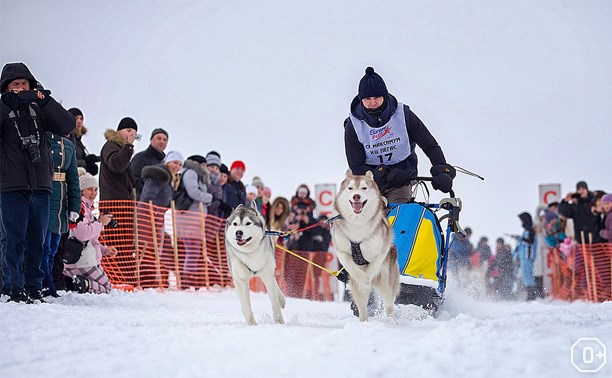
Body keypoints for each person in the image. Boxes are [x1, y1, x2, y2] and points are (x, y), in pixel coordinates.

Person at [0, 62, 75, 302]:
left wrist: (45, 101)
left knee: (37, 241)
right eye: (15, 85)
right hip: (11, 187)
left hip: (42, 186)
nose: (20, 89)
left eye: (24, 84)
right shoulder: (2, 109)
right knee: (13, 241)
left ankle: (34, 287)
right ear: (6, 88)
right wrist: (5, 105)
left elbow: (67, 125)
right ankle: (13, 287)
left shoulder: (40, 110)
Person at [344, 66, 455, 204]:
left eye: (377, 97)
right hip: (368, 183)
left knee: (397, 217)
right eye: (367, 99)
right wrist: (384, 172)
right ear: (361, 100)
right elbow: (356, 166)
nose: (373, 103)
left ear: (384, 95)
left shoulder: (403, 115)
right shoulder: (353, 125)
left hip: (402, 180)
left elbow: (430, 145)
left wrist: (442, 170)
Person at [63, 172, 118, 294]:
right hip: (84, 261)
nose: (93, 193)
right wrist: (100, 223)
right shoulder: (81, 208)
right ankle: (79, 284)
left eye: (96, 189)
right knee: (107, 289)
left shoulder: (85, 207)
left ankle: (77, 283)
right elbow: (82, 234)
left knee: (105, 288)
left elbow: (89, 240)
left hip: (75, 260)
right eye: (89, 189)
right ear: (82, 190)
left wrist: (104, 250)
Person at [42, 133, 81, 298]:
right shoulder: (42, 139)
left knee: (53, 248)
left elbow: (73, 178)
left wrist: (74, 206)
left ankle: (48, 280)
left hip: (61, 201)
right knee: (43, 246)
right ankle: (44, 283)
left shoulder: (68, 146)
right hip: (44, 192)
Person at [99, 117, 138, 201]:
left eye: (134, 134)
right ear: (118, 131)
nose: (132, 135)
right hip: (113, 204)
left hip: (123, 204)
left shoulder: (123, 150)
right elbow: (116, 166)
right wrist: (128, 146)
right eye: (128, 131)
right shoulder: (110, 146)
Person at [132, 128, 169, 200]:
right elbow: (134, 180)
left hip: (160, 205)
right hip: (142, 203)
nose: (162, 141)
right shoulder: (141, 157)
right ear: (151, 140)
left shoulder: (166, 162)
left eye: (165, 140)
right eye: (159, 138)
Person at [511, 212, 537, 301]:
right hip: (523, 257)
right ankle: (529, 295)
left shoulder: (531, 230)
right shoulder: (526, 231)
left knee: (528, 275)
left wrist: (520, 239)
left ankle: (532, 295)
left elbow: (530, 241)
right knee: (525, 275)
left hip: (527, 256)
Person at [67, 108, 99, 176]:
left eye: (81, 118)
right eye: (76, 118)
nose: (79, 121)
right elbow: (66, 161)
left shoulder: (77, 139)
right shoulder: (66, 138)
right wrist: (86, 163)